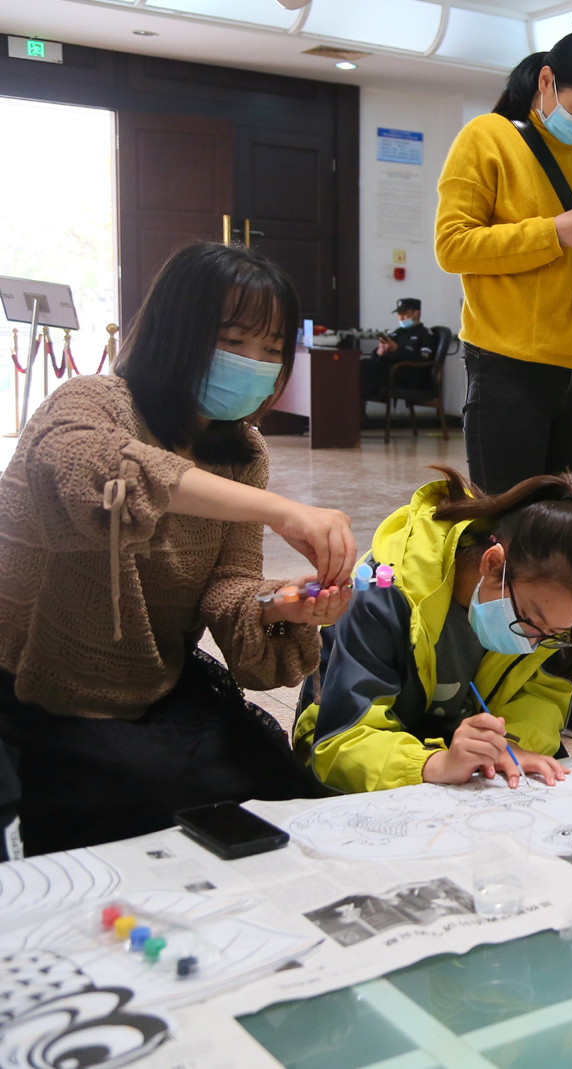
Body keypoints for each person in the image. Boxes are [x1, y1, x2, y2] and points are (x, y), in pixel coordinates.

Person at [0, 242, 355, 854]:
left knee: (270, 788)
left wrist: (278, 605)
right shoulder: (93, 402)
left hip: (152, 679)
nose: (254, 363)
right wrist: (281, 510)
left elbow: (229, 585)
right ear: (178, 332)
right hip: (39, 680)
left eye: (271, 351)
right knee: (142, 805)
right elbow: (97, 473)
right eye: (234, 340)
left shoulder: (243, 452)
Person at [436, 28, 572, 744]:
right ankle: (476, 692)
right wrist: (552, 231)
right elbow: (452, 245)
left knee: (570, 539)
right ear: (546, 83)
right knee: (509, 537)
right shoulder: (485, 139)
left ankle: (554, 686)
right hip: (509, 360)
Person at [297, 467, 572, 792]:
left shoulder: (548, 611)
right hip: (371, 754)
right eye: (528, 621)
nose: (532, 644)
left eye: (554, 634)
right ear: (492, 565)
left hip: (459, 754)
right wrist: (434, 763)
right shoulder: (387, 592)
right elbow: (338, 743)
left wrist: (511, 743)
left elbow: (542, 696)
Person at [359, 297, 436, 402]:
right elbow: (377, 354)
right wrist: (379, 352)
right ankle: (357, 405)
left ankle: (359, 406)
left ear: (416, 313)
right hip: (392, 372)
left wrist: (397, 349)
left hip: (410, 376)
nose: (401, 318)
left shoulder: (426, 334)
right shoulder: (398, 333)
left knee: (367, 370)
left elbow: (423, 360)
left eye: (405, 313)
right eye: (399, 314)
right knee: (362, 365)